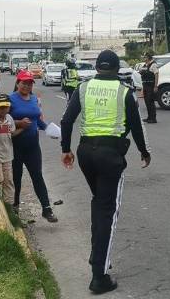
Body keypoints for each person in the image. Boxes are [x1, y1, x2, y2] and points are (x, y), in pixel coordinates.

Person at [60, 49, 152, 294]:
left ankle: (96, 253)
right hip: (110, 156)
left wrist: (65, 149)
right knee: (107, 212)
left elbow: (66, 121)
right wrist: (144, 151)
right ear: (116, 68)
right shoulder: (125, 92)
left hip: (85, 154)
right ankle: (98, 276)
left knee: (98, 203)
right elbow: (136, 125)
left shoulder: (83, 88)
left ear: (98, 68)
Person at [9, 70, 58, 223]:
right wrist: (19, 123)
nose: (27, 86)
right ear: (18, 83)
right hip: (15, 145)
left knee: (37, 176)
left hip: (32, 146)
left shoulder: (34, 99)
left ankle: (46, 209)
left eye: (30, 83)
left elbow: (38, 120)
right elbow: (2, 119)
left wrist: (50, 129)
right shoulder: (10, 99)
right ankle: (14, 208)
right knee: (16, 178)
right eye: (24, 83)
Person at [0, 94, 22, 208]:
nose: (3, 110)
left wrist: (22, 128)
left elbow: (12, 133)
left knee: (8, 180)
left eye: (5, 107)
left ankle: (8, 206)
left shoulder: (9, 119)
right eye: (0, 107)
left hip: (7, 154)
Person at [140, 52, 159, 123]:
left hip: (151, 85)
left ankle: (153, 118)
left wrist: (155, 86)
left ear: (148, 57)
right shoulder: (145, 65)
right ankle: (149, 117)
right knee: (147, 101)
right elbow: (141, 72)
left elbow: (156, 75)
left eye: (144, 57)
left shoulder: (153, 65)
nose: (143, 58)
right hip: (145, 85)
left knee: (150, 101)